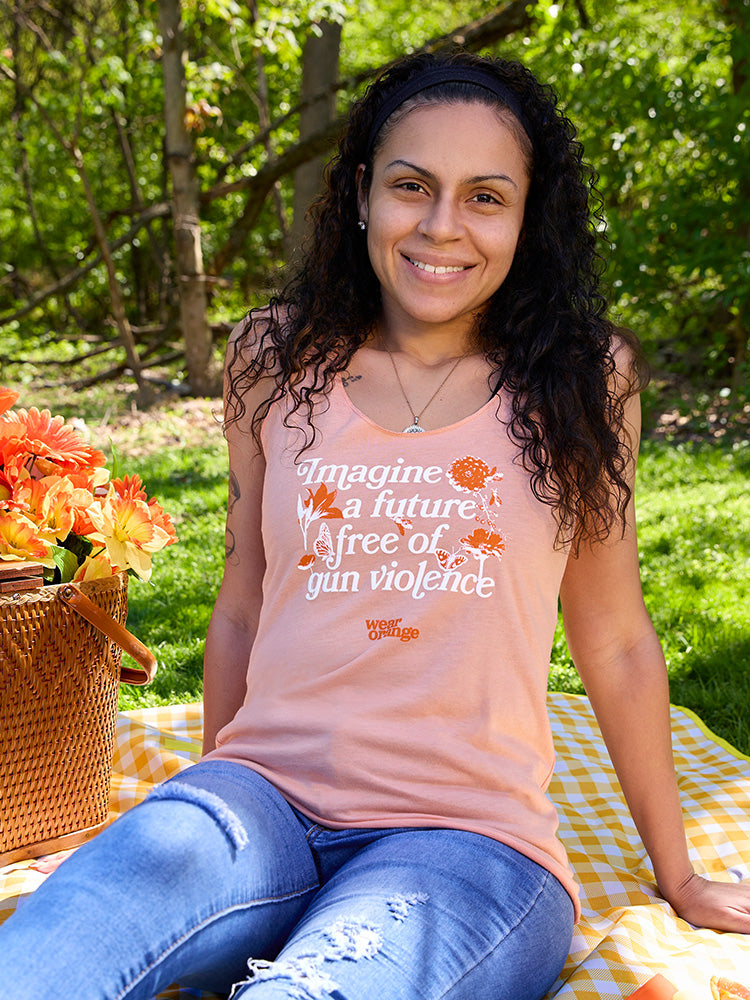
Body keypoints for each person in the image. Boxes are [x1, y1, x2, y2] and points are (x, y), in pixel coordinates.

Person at [1, 48, 749, 1000]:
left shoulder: (586, 379)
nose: (442, 226)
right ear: (360, 194)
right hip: (257, 804)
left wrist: (678, 873)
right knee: (37, 965)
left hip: (467, 846)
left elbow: (616, 636)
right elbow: (242, 602)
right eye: (411, 185)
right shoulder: (272, 356)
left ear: (528, 216)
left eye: (486, 196)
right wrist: (218, 799)